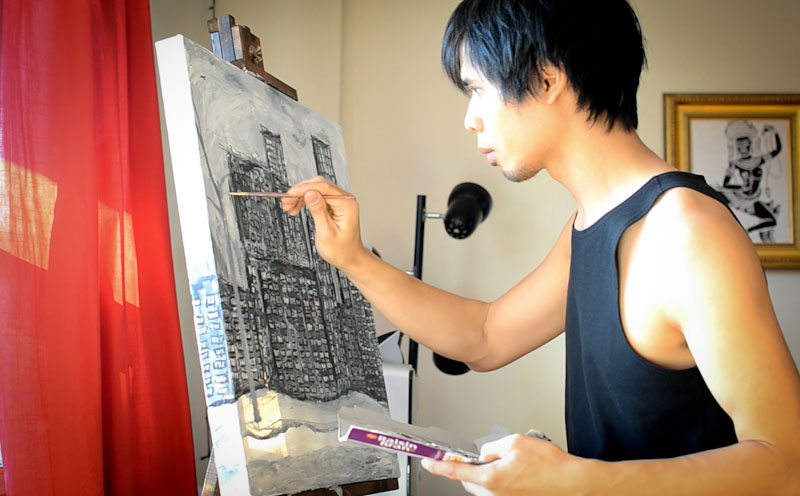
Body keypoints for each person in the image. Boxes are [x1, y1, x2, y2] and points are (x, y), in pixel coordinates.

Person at [282, 0, 800, 493]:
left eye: (477, 89)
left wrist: (572, 482)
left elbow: (786, 465)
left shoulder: (684, 230)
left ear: (547, 79)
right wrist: (352, 258)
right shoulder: (591, 225)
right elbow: (485, 337)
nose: (470, 118)